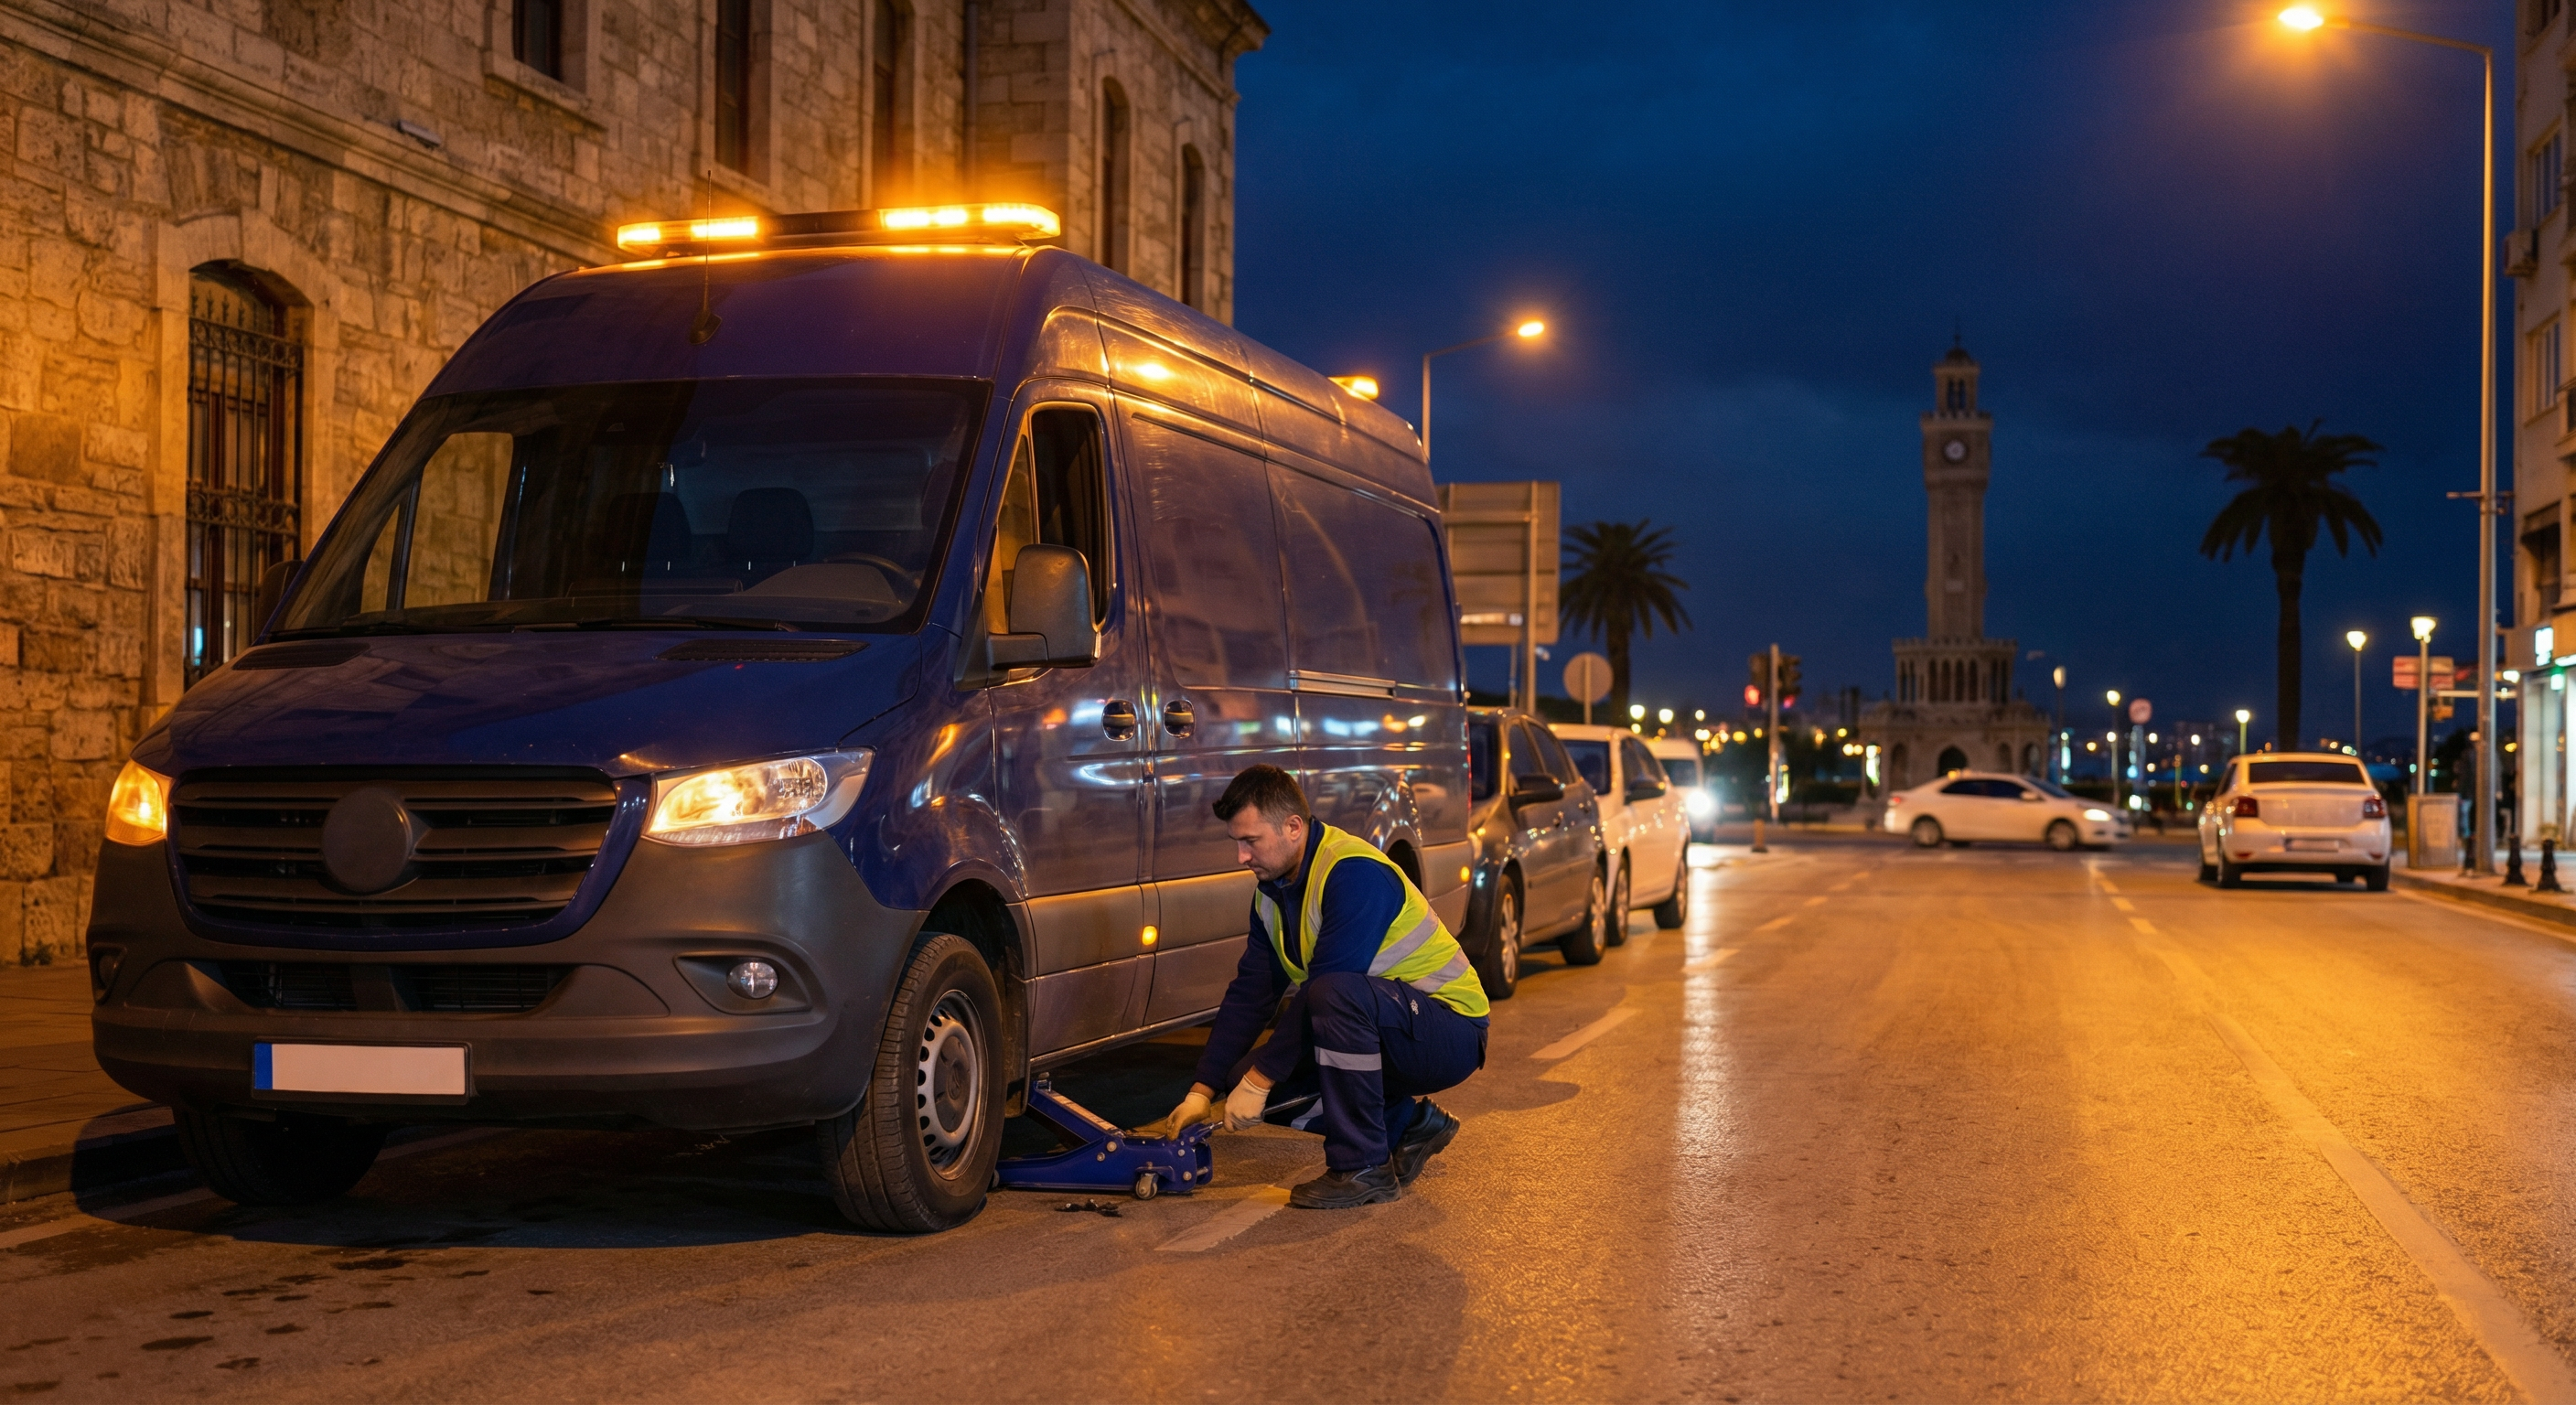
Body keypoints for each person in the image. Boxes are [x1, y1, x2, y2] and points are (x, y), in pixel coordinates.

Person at [1150, 765, 1489, 1208]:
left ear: (1293, 827)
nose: (1241, 856)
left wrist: (1262, 1077)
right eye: (1236, 842)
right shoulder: (1273, 893)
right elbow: (1250, 996)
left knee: (1330, 999)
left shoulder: (1354, 873)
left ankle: (1363, 1167)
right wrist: (1204, 1090)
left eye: (1250, 840)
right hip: (1388, 1023)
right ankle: (1409, 1125)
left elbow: (1327, 988)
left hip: (1450, 1029)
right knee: (1244, 1076)